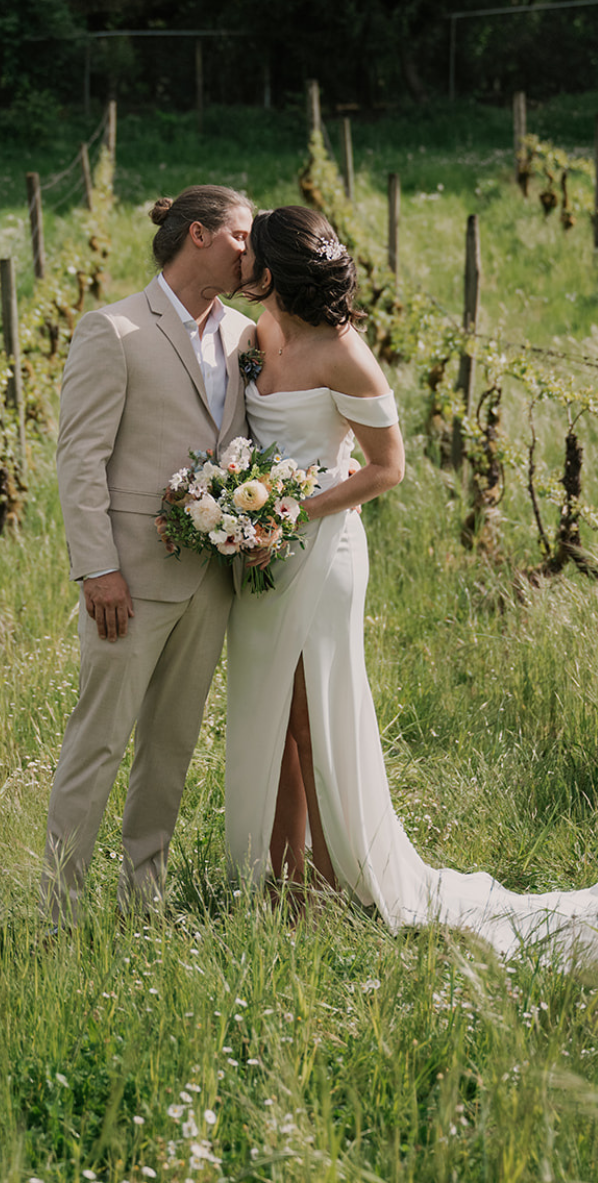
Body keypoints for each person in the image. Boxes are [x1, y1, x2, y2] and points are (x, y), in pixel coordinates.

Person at [225, 205, 598, 957]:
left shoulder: (344, 352)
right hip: (262, 552)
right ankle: (282, 881)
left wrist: (289, 514)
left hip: (319, 551)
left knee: (310, 720)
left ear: (274, 272)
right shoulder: (255, 333)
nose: (240, 257)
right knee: (273, 715)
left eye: (251, 250)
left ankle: (325, 890)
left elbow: (389, 467)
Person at [40, 185, 256, 921]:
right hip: (127, 576)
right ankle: (60, 908)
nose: (249, 252)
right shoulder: (115, 329)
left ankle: (145, 895)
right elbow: (80, 458)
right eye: (240, 237)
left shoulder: (249, 336)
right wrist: (96, 567)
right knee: (98, 741)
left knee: (171, 746)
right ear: (198, 235)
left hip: (212, 580)